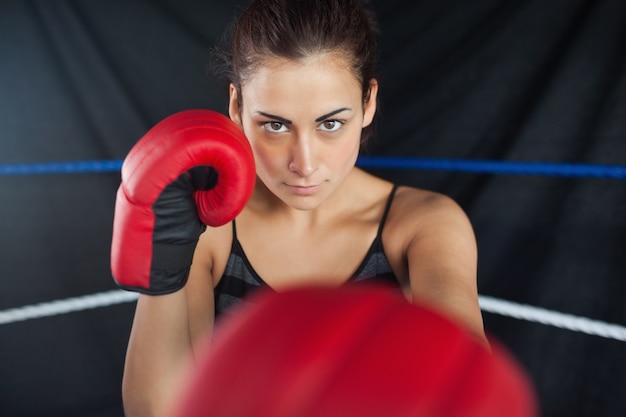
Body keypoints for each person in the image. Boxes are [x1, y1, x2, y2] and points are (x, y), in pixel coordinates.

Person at [115, 1, 488, 416]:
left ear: (368, 103)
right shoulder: (211, 229)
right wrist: (163, 270)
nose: (304, 163)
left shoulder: (421, 226)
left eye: (330, 124)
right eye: (275, 125)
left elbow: (471, 395)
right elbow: (158, 412)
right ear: (237, 107)